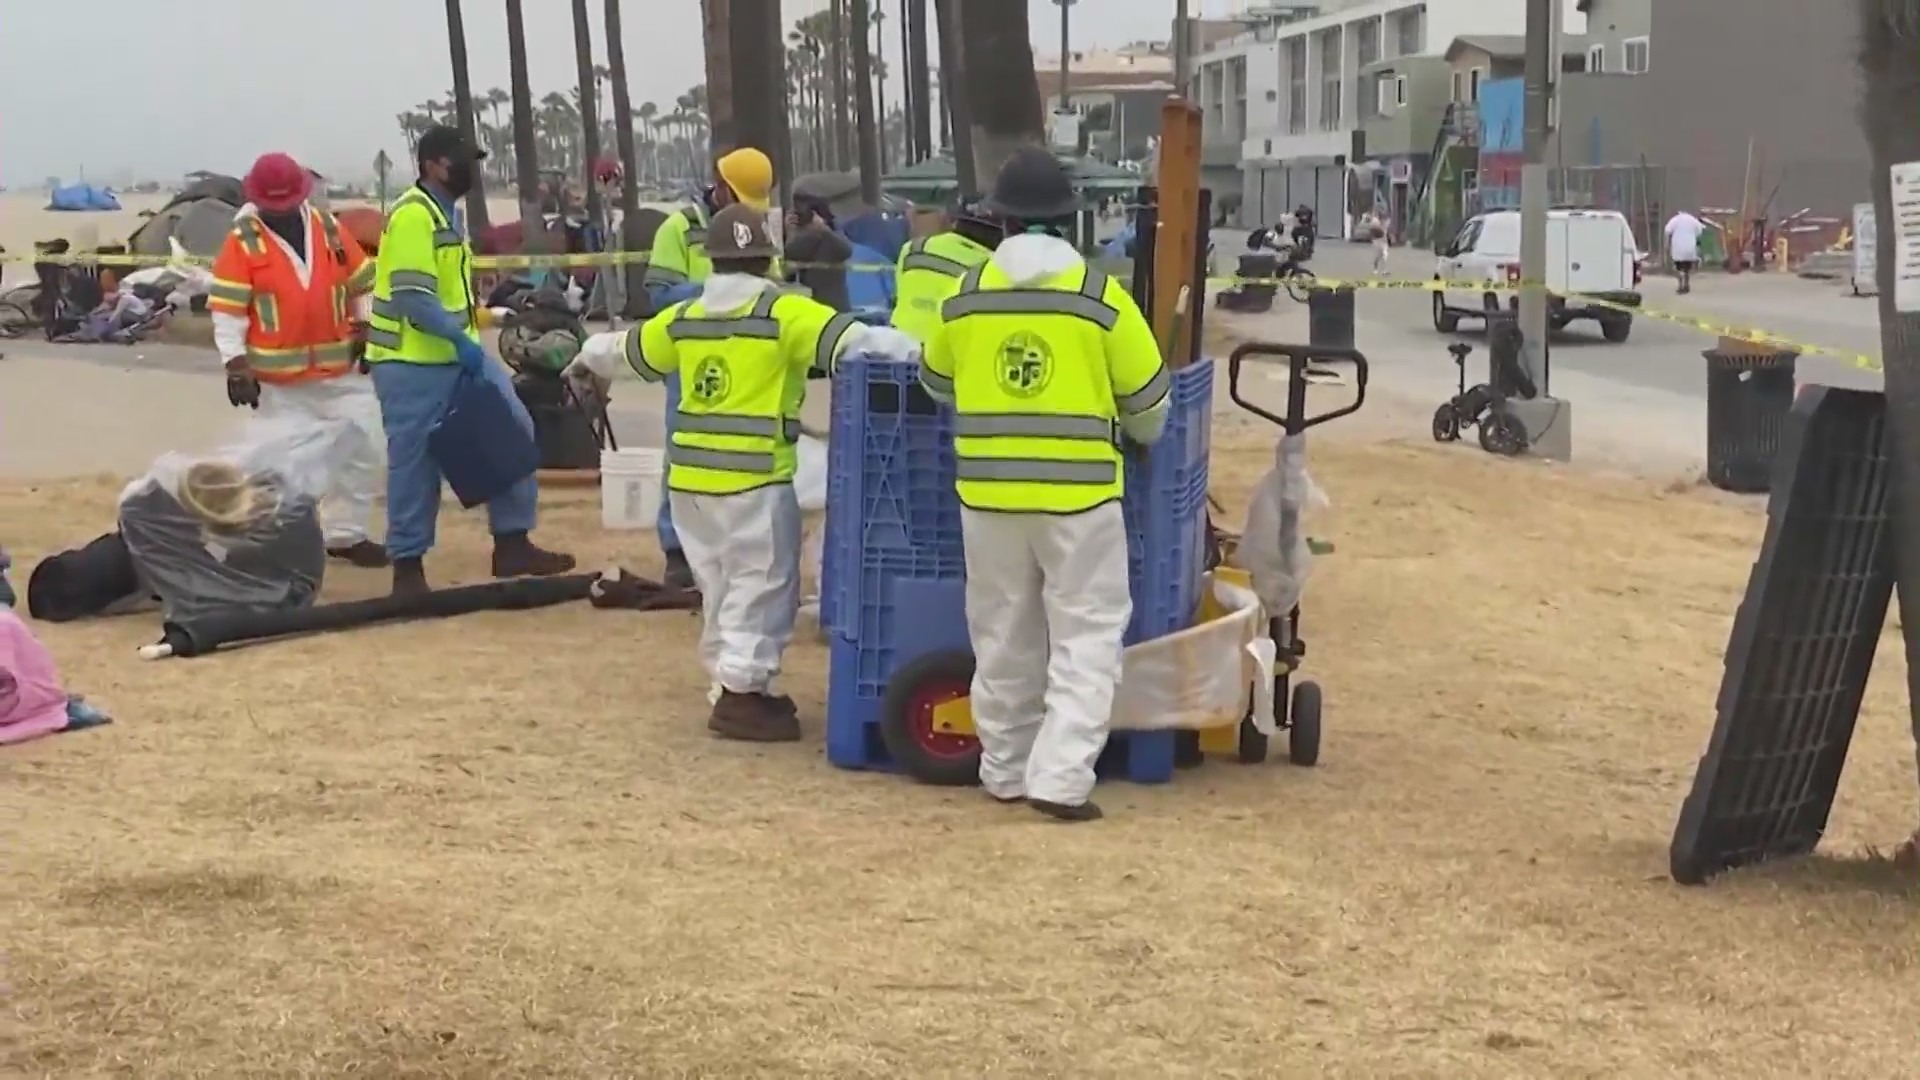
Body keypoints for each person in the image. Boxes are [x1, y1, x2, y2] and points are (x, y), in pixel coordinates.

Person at [568, 205, 905, 741]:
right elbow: (858, 342)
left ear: (714, 260)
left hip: (691, 485)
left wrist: (584, 352)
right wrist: (928, 352)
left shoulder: (685, 316)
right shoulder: (784, 313)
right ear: (766, 258)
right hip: (755, 481)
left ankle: (728, 680)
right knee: (765, 587)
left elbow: (624, 353)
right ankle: (742, 694)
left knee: (719, 587)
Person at [919, 146, 1170, 823]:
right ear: (1070, 222)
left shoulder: (963, 299)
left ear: (999, 222)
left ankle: (1002, 768)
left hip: (988, 498)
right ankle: (1058, 779)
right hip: (1080, 502)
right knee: (1086, 634)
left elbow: (934, 383)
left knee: (1002, 632)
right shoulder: (1100, 299)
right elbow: (1150, 405)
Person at [363, 125, 575, 597]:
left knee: (513, 431)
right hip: (410, 364)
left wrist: (494, 317)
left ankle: (513, 542)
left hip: (455, 358)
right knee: (414, 465)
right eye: (463, 161)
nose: (472, 170)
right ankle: (408, 567)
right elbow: (414, 297)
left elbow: (448, 297)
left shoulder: (447, 217)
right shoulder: (413, 216)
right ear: (433, 165)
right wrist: (461, 344)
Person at [207, 152, 389, 568]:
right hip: (279, 379)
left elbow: (362, 283)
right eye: (274, 207)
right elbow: (228, 310)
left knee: (365, 447)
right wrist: (235, 364)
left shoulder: (327, 228)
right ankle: (267, 540)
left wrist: (364, 327)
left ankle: (345, 534)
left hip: (340, 369)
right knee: (278, 464)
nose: (281, 213)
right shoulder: (243, 242)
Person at [644, 147, 777, 590]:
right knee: (682, 447)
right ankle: (676, 549)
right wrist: (717, 289)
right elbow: (658, 293)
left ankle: (729, 544)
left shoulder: (755, 230)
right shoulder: (678, 229)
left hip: (743, 355)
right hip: (689, 357)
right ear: (719, 187)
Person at [891, 195, 999, 344]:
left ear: (954, 221)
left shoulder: (914, 248)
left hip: (900, 349)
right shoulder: (992, 266)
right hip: (946, 352)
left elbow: (898, 295)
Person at [783, 192, 853, 312]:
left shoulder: (833, 237)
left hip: (835, 307)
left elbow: (847, 251)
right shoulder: (803, 240)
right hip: (811, 306)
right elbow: (788, 269)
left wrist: (824, 230)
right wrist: (790, 232)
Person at [1665, 209, 1706, 294]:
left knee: (1678, 268)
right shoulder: (1692, 220)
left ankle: (1680, 285)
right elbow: (1700, 231)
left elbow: (1667, 231)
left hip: (1678, 247)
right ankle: (1686, 284)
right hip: (1690, 247)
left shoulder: (1675, 220)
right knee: (1687, 268)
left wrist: (1667, 245)